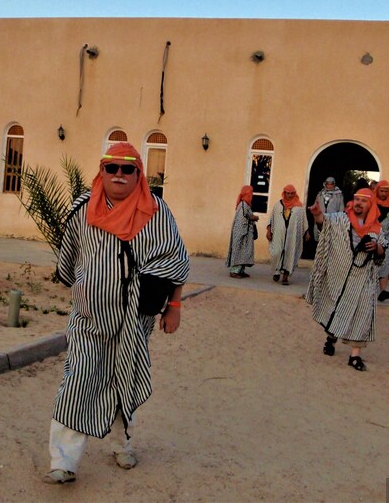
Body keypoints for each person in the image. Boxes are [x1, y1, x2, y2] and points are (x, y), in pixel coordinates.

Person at [43, 143, 190, 484]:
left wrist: (175, 306)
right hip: (88, 320)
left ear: (139, 173)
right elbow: (68, 258)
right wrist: (87, 289)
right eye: (112, 168)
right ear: (102, 171)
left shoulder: (156, 211)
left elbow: (175, 260)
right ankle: (63, 462)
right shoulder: (83, 209)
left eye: (128, 169)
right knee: (77, 381)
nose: (119, 175)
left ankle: (121, 443)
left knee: (123, 379)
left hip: (133, 322)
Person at [307, 188, 387, 372]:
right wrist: (318, 214)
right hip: (339, 274)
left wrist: (376, 247)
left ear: (371, 204)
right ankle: (331, 337)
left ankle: (355, 355)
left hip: (364, 279)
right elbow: (323, 222)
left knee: (362, 313)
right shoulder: (340, 219)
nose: (359, 203)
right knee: (336, 308)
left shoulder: (377, 228)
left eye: (364, 201)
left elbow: (383, 251)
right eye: (356, 199)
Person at [266, 184, 309, 285]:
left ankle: (285, 277)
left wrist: (306, 232)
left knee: (290, 254)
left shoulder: (299, 207)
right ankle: (276, 272)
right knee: (276, 252)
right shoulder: (277, 205)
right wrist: (269, 231)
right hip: (278, 234)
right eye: (288, 193)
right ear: (284, 193)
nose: (290, 195)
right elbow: (271, 220)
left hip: (292, 236)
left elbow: (304, 221)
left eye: (292, 193)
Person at [226, 185, 259, 278]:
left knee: (244, 251)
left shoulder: (245, 205)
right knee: (239, 251)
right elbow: (248, 216)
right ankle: (234, 271)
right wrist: (255, 217)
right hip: (241, 233)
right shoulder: (243, 205)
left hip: (245, 233)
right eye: (250, 193)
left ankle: (240, 270)